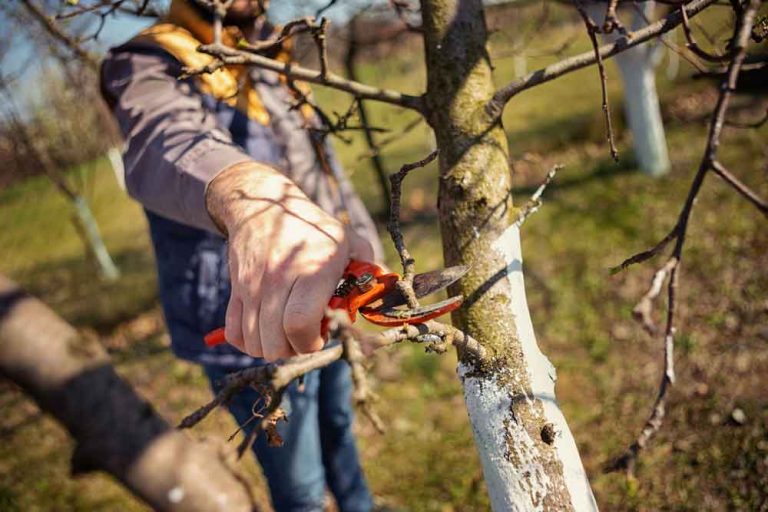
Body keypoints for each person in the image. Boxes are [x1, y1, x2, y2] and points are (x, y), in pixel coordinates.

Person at [100, 0, 382, 510]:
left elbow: (326, 171)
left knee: (339, 429)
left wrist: (366, 249)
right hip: (247, 324)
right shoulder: (147, 60)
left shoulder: (275, 52)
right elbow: (164, 136)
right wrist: (246, 193)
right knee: (298, 482)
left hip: (326, 294)